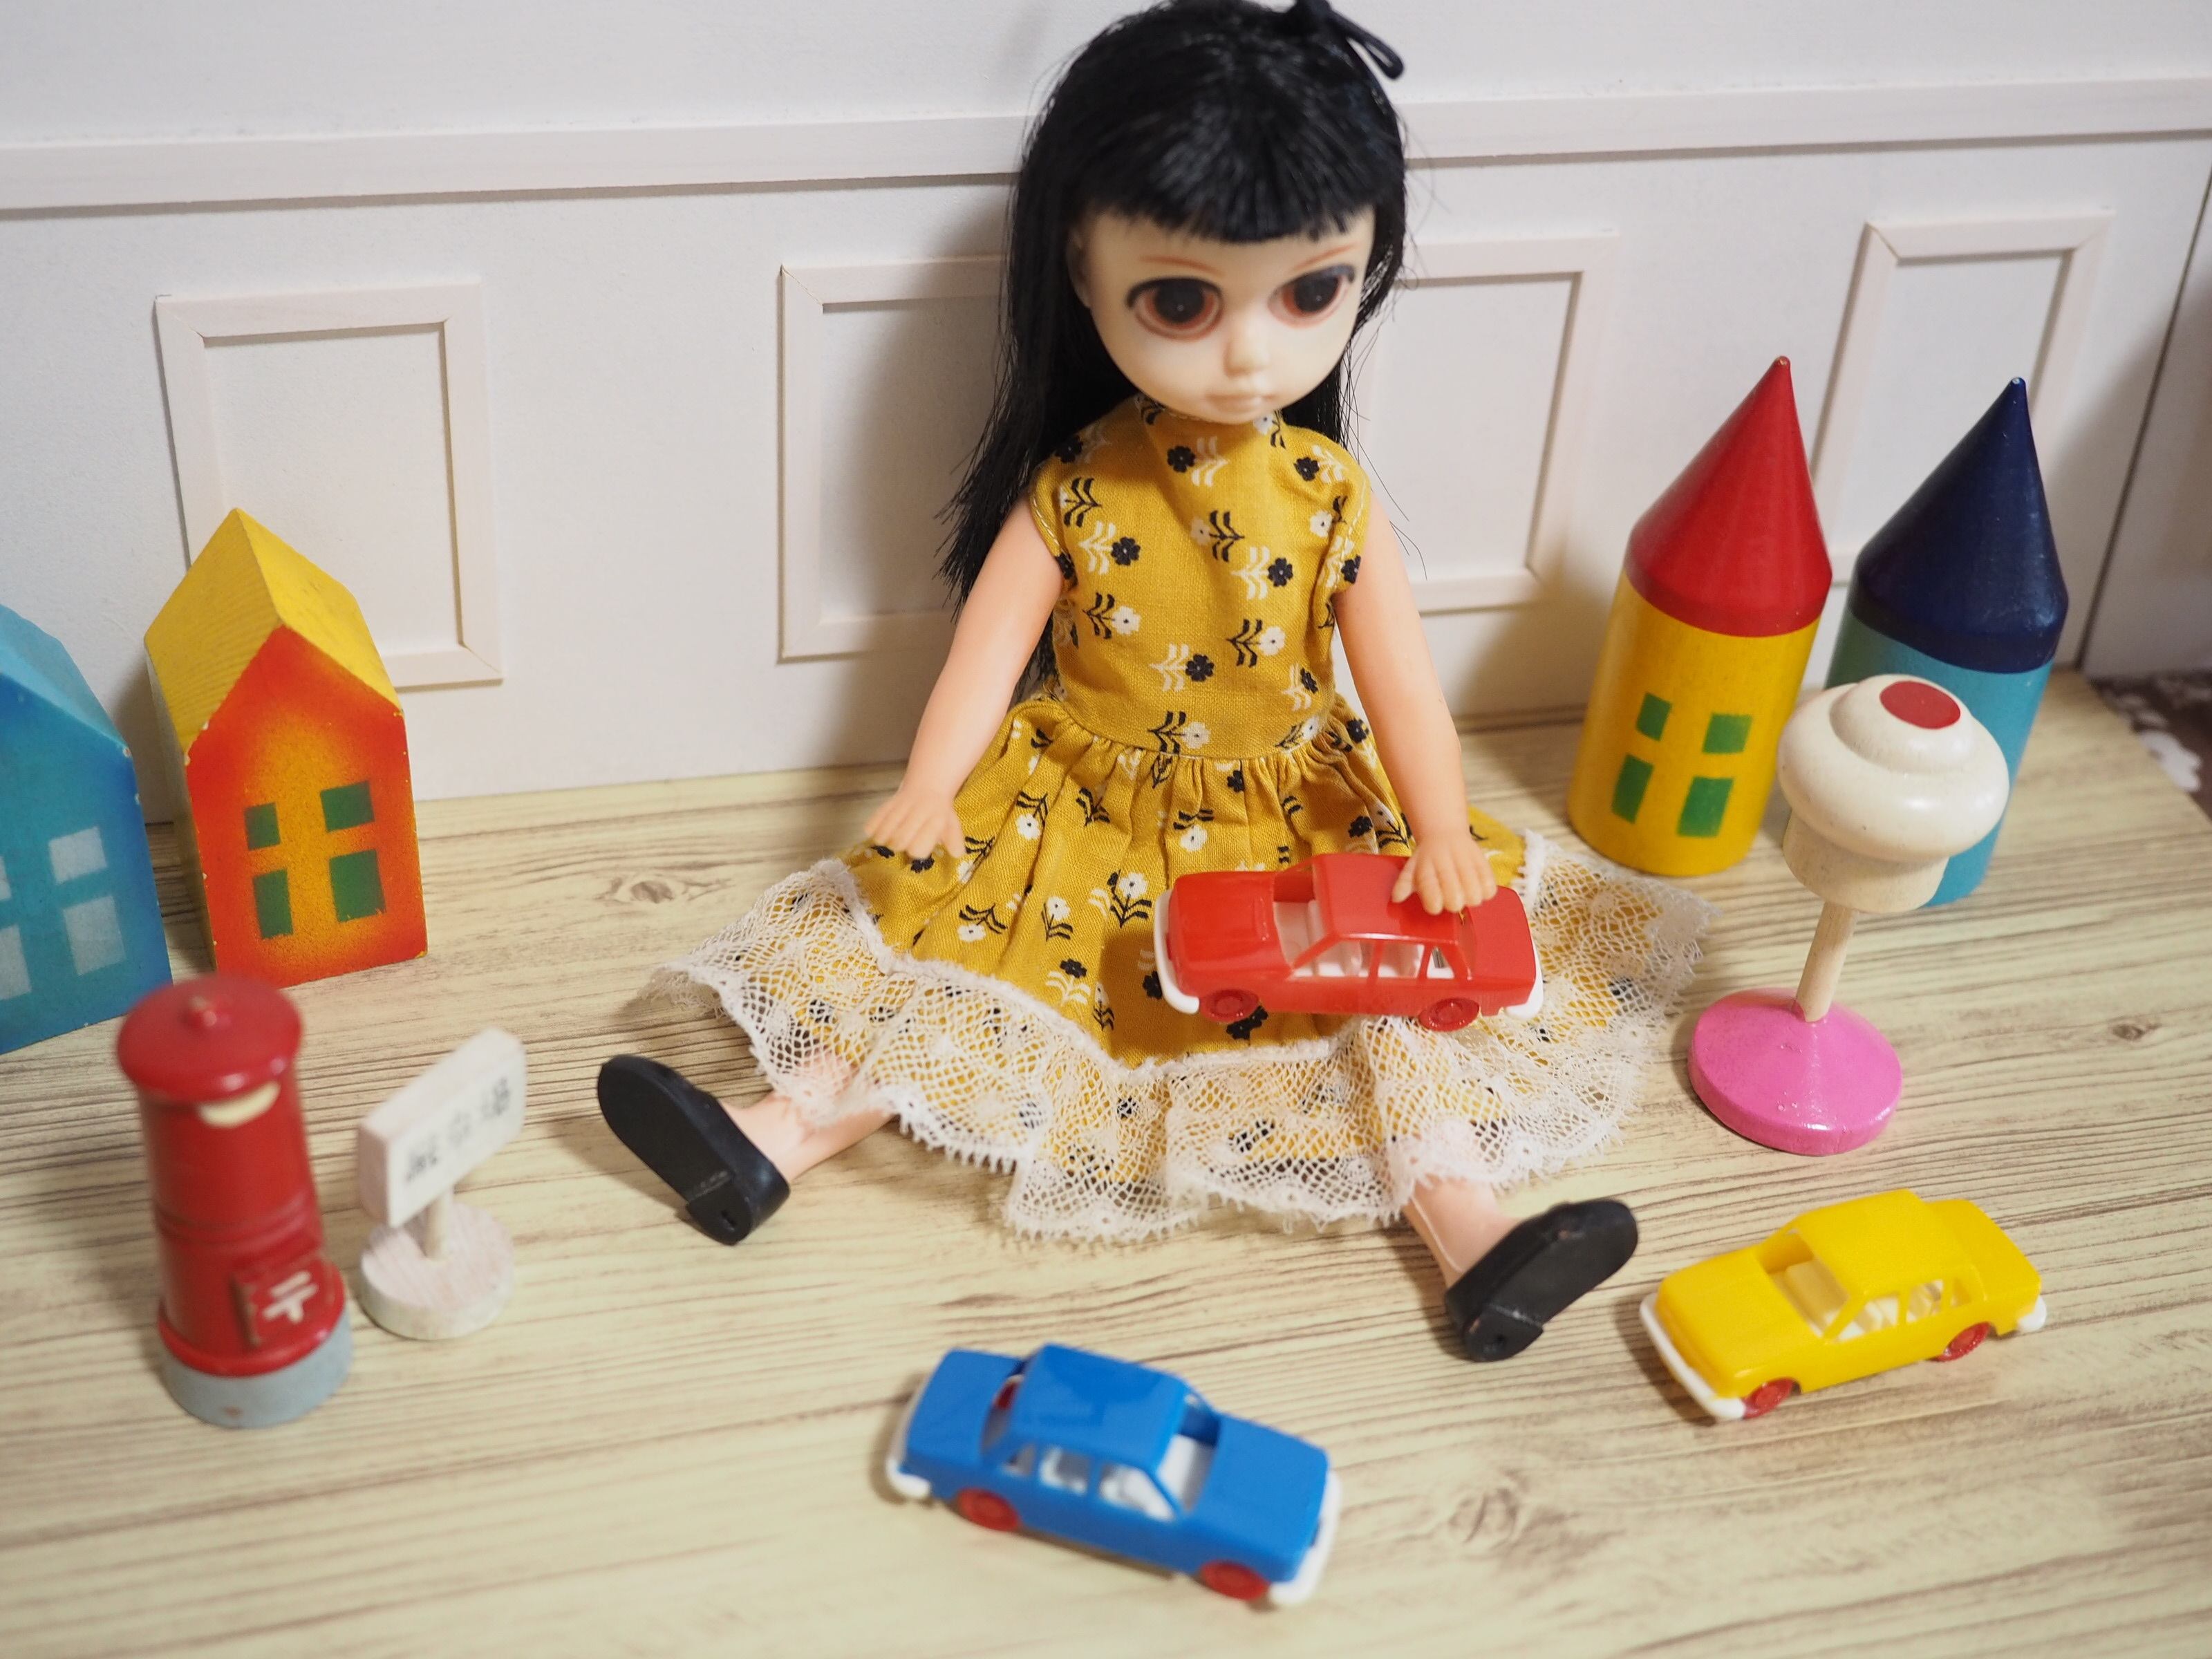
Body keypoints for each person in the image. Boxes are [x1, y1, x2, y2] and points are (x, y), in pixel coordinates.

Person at [599, 0, 1707, 1361]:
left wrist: (1436, 825)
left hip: (1294, 808)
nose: (1250, 353)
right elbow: (982, 658)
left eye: (1311, 291)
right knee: (963, 958)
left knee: (1379, 1005)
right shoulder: (1073, 490)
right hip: (1079, 799)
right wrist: (933, 784)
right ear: (1081, 268)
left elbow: (1404, 687)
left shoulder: (1328, 494)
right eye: (1182, 301)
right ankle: (768, 1140)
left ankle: (1474, 1236)